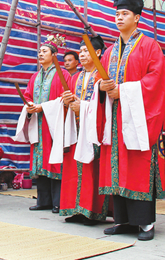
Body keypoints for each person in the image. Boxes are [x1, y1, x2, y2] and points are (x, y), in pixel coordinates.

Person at [97, 0, 165, 241]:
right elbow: (101, 80)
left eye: (124, 13)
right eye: (117, 14)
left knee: (137, 166)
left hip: (137, 119)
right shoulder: (110, 51)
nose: (119, 17)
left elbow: (155, 81)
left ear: (137, 18)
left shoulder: (150, 46)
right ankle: (123, 220)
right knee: (117, 168)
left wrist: (123, 90)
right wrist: (103, 89)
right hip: (114, 121)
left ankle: (145, 222)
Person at [60, 35, 110, 225]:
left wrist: (85, 107)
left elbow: (106, 105)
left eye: (85, 51)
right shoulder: (76, 77)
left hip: (94, 131)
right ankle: (77, 209)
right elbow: (69, 101)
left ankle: (93, 211)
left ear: (97, 53)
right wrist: (65, 102)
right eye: (80, 51)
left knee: (92, 170)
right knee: (75, 170)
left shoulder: (102, 76)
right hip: (77, 129)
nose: (81, 55)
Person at [22, 35, 71, 214]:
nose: (40, 54)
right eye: (39, 52)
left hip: (54, 125)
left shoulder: (63, 74)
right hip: (38, 124)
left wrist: (43, 107)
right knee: (40, 163)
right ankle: (43, 200)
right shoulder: (35, 77)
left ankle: (58, 202)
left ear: (54, 54)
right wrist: (28, 107)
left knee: (56, 162)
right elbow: (28, 96)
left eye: (44, 51)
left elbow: (66, 99)